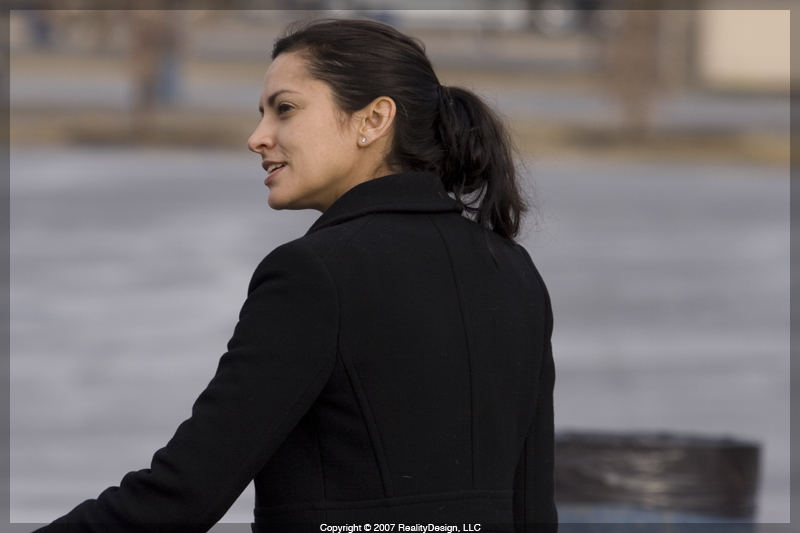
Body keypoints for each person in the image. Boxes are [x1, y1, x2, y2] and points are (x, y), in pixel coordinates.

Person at [33, 17, 556, 532]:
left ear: (373, 120)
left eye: (285, 109)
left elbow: (184, 493)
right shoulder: (513, 269)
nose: (258, 138)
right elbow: (533, 510)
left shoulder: (315, 275)